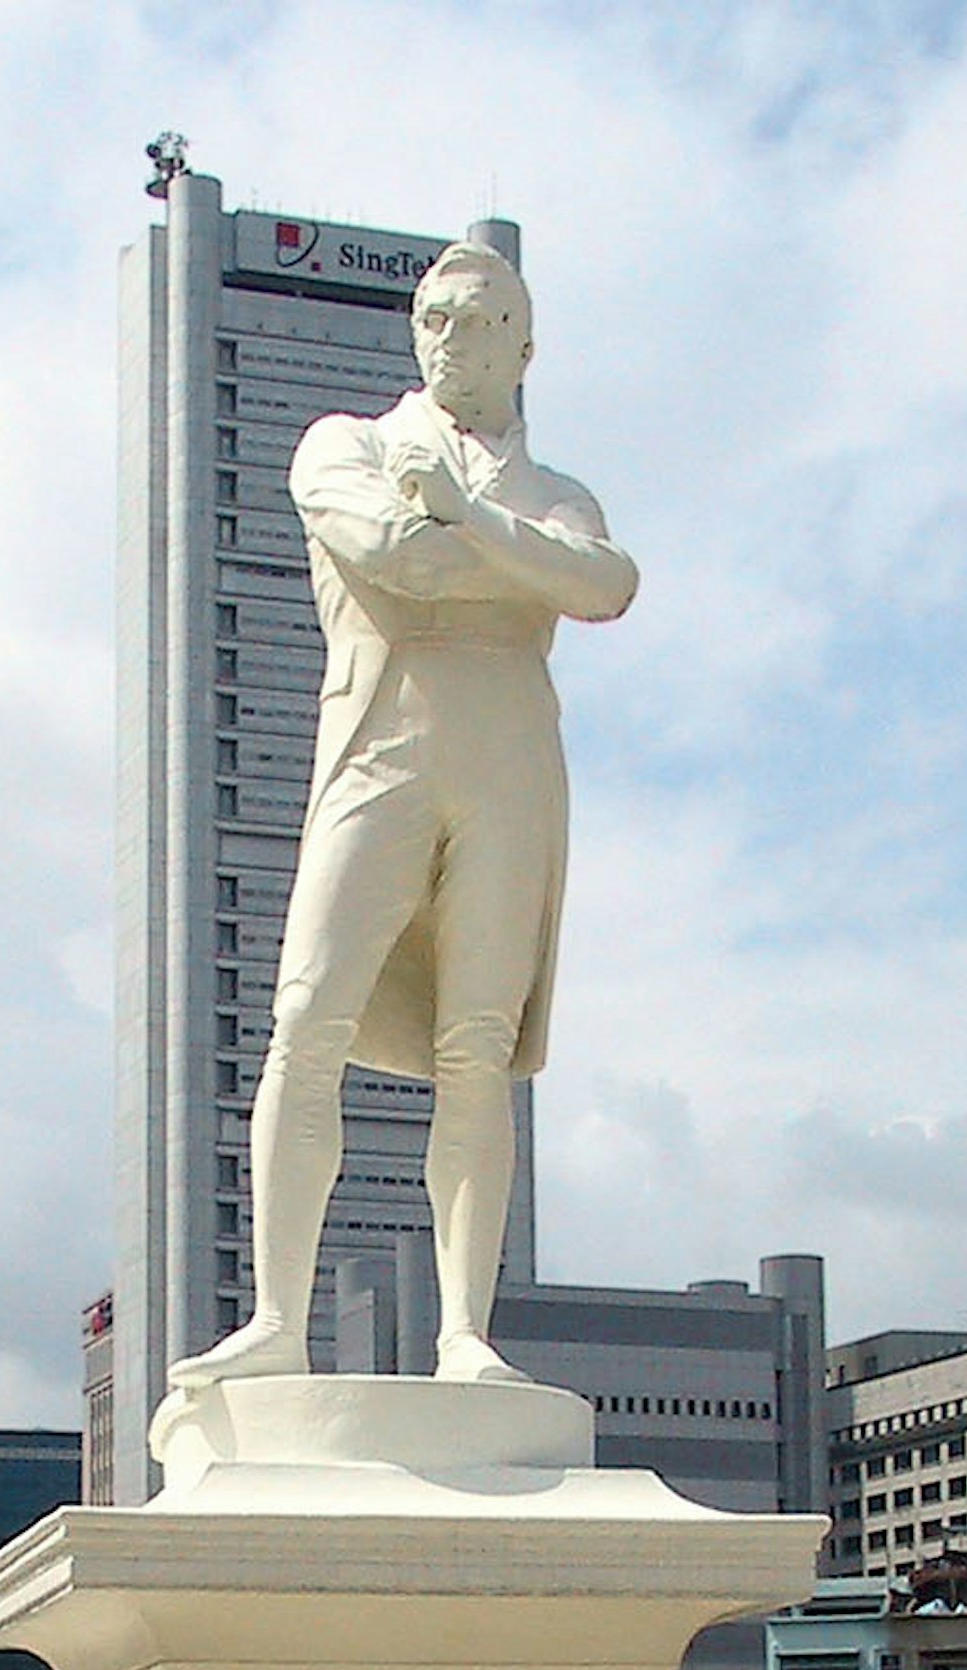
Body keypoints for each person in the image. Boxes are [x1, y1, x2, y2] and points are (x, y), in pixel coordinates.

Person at [162, 240, 639, 1406]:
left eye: (477, 321)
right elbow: (394, 558)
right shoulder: (348, 444)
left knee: (477, 1049)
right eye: (432, 317)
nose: (448, 338)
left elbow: (609, 586)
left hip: (511, 768)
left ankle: (466, 1331)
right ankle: (279, 1316)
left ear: (525, 344)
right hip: (379, 746)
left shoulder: (556, 492)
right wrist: (510, 562)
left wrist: (469, 518)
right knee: (305, 1019)